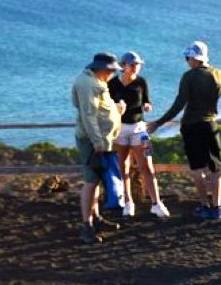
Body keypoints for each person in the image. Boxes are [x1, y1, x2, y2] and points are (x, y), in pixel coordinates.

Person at [147, 41, 221, 220]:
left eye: (187, 58)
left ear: (194, 58)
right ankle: (217, 207)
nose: (187, 61)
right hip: (210, 124)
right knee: (216, 168)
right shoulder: (219, 74)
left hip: (190, 126)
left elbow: (179, 104)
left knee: (197, 168)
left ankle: (204, 206)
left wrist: (159, 122)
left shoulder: (189, 77)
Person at [108, 51, 169, 219]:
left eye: (138, 64)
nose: (137, 67)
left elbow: (147, 101)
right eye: (133, 64)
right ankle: (128, 203)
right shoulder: (112, 84)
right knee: (123, 168)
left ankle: (156, 203)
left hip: (140, 129)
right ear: (123, 66)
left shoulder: (142, 82)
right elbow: (106, 107)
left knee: (147, 166)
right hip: (119, 129)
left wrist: (148, 105)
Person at [72, 52, 124, 244]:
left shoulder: (95, 81)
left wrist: (116, 110)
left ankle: (96, 219)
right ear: (102, 68)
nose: (113, 74)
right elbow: (88, 115)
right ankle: (87, 225)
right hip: (93, 141)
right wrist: (98, 141)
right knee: (91, 181)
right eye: (111, 70)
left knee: (97, 180)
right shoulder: (88, 84)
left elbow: (98, 109)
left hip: (102, 139)